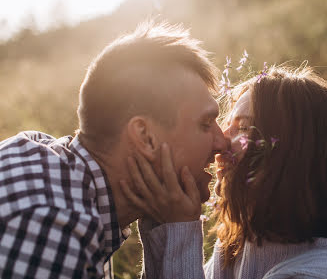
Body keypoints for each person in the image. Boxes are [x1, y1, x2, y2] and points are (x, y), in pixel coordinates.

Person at [0, 21, 226, 278]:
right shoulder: (52, 230)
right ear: (145, 137)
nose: (223, 143)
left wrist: (167, 231)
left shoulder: (45, 163)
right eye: (206, 123)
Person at [128, 66, 327, 279]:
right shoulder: (239, 245)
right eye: (228, 126)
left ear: (298, 150)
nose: (222, 142)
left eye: (245, 127)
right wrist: (163, 220)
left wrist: (179, 227)